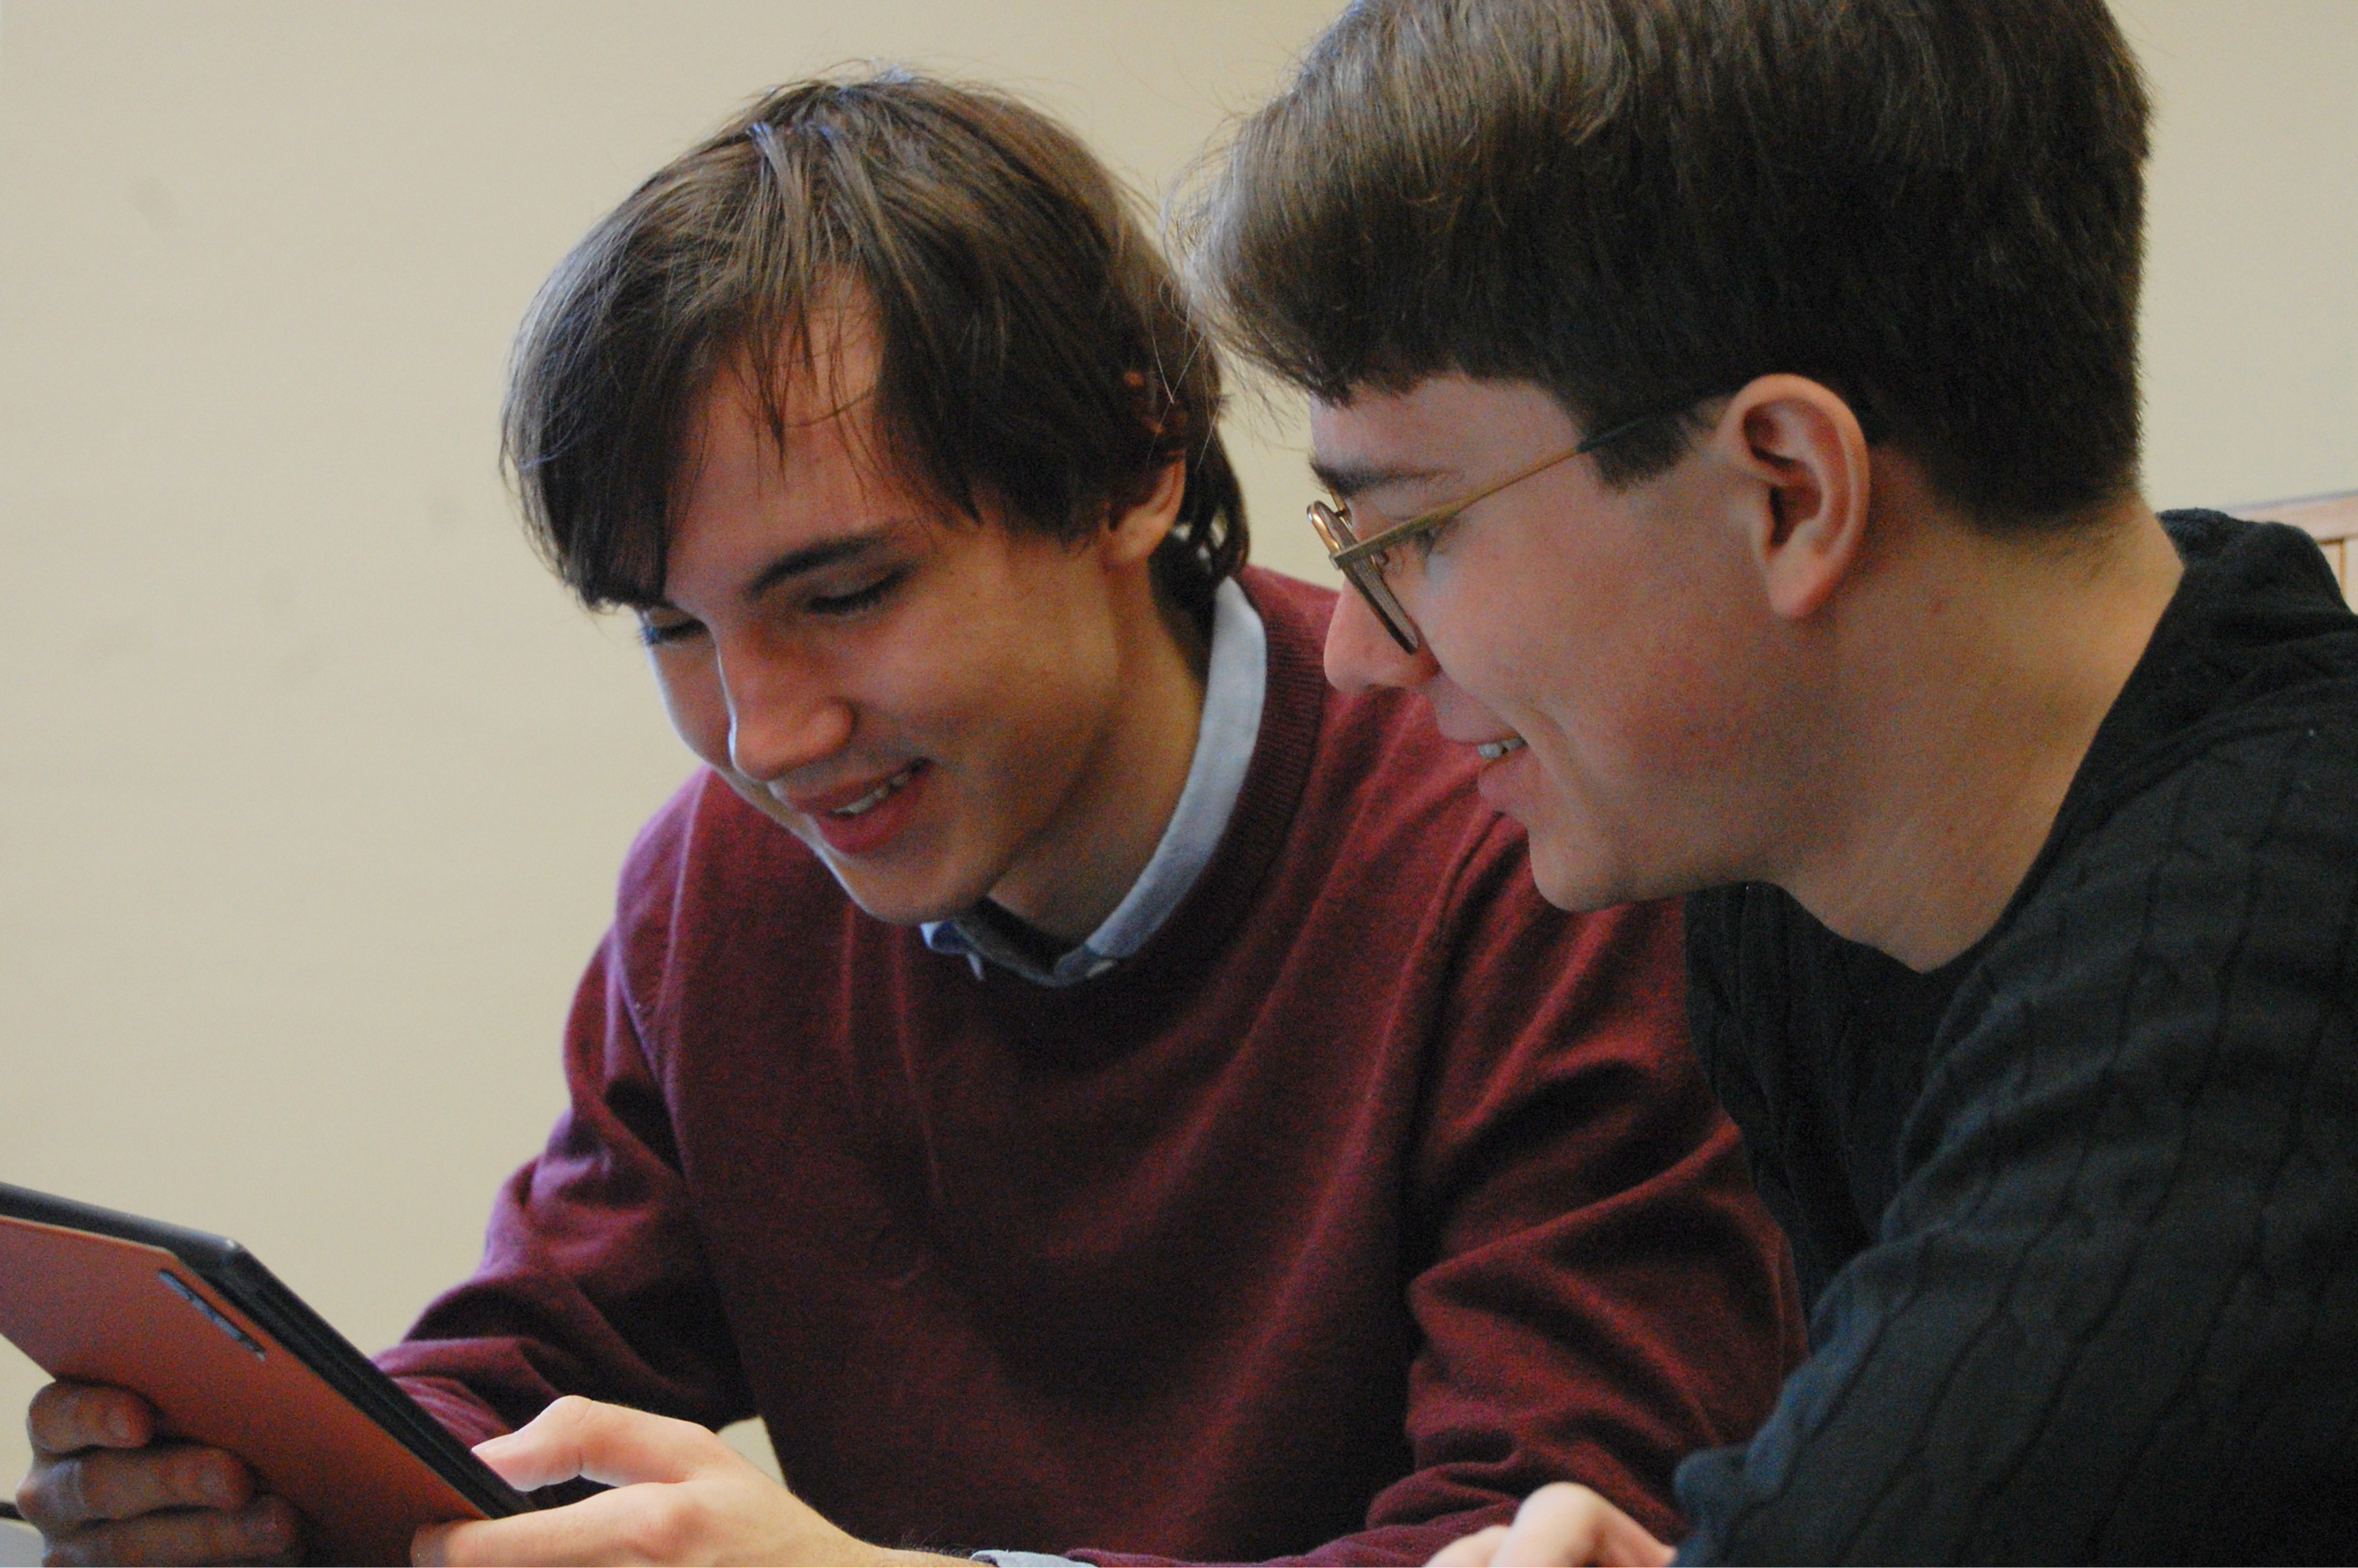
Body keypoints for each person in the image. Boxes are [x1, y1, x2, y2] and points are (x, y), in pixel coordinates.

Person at [15, 72, 1804, 1567]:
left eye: (846, 592)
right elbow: (527, 1360)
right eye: (672, 629)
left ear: (1129, 471)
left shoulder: (1526, 844)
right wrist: (281, 1489)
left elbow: (1550, 1527)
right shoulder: (724, 888)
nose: (764, 737)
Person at [1182, 0, 2358, 1561]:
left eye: (1413, 531)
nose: (1362, 658)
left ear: (1788, 492)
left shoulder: (2251, 993)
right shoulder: (1790, 862)